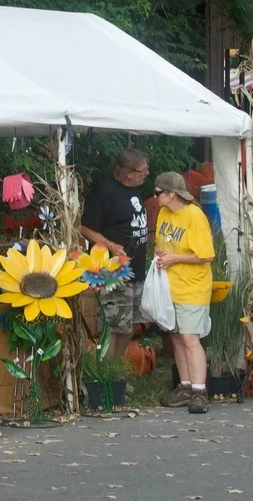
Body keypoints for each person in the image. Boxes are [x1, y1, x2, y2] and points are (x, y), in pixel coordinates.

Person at [151, 173, 217, 414]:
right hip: (170, 285)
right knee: (176, 337)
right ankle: (186, 386)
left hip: (193, 286)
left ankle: (200, 391)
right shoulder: (164, 214)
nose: (155, 197)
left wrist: (175, 258)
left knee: (190, 337)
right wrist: (160, 253)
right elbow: (163, 243)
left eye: (158, 193)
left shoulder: (194, 216)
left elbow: (206, 255)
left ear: (172, 194)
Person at [80, 148, 151, 359]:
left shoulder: (135, 191)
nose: (147, 173)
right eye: (143, 170)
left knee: (130, 326)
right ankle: (106, 379)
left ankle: (115, 369)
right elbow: (84, 228)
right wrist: (111, 245)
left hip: (136, 270)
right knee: (113, 327)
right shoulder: (106, 192)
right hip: (114, 272)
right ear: (128, 173)